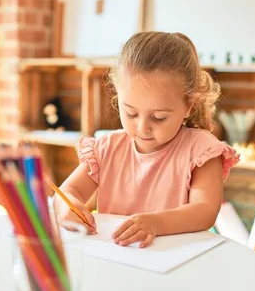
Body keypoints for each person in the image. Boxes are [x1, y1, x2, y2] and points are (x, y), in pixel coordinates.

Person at [55, 31, 240, 248]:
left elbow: (205, 210)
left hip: (175, 264)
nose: (142, 128)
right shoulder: (106, 148)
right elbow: (67, 192)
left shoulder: (201, 150)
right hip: (118, 260)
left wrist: (156, 223)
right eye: (131, 113)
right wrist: (67, 207)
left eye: (158, 117)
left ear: (188, 105)